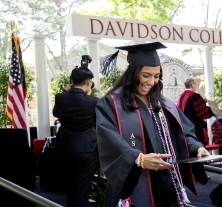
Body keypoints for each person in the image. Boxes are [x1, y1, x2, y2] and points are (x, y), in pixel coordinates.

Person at [95, 42, 211, 207]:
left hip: (166, 177)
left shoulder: (163, 103)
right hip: (135, 179)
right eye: (146, 75)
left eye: (156, 76)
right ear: (133, 73)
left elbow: (182, 131)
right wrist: (139, 159)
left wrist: (197, 146)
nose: (151, 81)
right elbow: (109, 140)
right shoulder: (112, 103)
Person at [52, 66, 99, 207]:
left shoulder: (60, 97)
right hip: (87, 149)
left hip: (65, 148)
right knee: (82, 190)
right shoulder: (94, 101)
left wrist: (66, 92)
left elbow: (56, 114)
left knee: (71, 187)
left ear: (71, 81)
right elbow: (98, 123)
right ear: (89, 82)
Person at [177, 77, 216, 144]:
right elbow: (202, 113)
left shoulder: (180, 97)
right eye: (196, 84)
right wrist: (213, 110)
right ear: (192, 85)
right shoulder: (195, 96)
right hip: (194, 128)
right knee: (197, 147)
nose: (196, 85)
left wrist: (203, 102)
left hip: (184, 128)